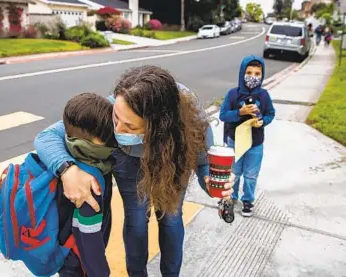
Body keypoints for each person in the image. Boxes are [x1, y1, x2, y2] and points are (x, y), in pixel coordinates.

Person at [34, 65, 234, 277]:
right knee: (137, 218)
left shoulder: (189, 117)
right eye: (116, 119)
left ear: (159, 126)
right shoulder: (116, 104)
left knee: (171, 217)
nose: (117, 130)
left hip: (174, 157)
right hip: (129, 161)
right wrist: (67, 170)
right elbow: (46, 137)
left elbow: (203, 162)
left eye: (130, 127)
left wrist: (209, 183)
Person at [57, 93, 116, 277]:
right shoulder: (89, 184)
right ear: (84, 143)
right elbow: (88, 242)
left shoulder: (70, 157)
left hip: (65, 251)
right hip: (77, 261)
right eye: (104, 137)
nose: (110, 140)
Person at [219, 56, 275, 217]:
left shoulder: (264, 96)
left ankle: (248, 200)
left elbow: (270, 113)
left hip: (255, 143)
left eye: (257, 73)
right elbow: (223, 115)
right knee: (234, 172)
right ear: (242, 73)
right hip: (235, 141)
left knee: (251, 175)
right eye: (249, 72)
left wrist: (263, 121)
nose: (253, 76)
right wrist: (239, 112)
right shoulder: (232, 94)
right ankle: (231, 197)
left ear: (262, 75)